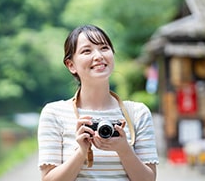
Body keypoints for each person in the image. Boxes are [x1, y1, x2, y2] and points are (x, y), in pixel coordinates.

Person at [38, 25, 159, 181]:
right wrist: (81, 152)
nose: (99, 56)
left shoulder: (137, 113)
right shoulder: (54, 113)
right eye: (87, 51)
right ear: (71, 65)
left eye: (104, 48)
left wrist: (124, 150)